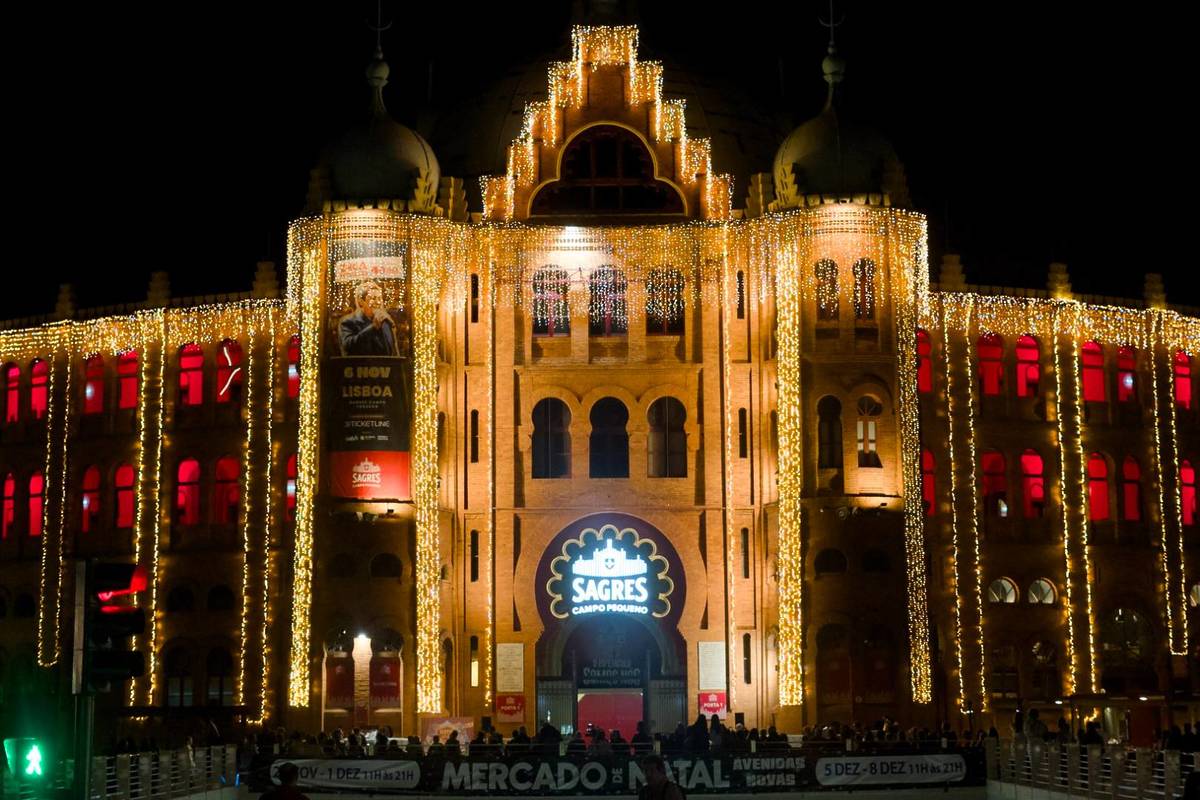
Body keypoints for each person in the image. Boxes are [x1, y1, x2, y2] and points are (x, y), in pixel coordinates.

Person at [339, 281, 400, 356]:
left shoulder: (385, 322)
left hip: (383, 366)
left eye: (379, 298)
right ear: (361, 301)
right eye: (373, 298)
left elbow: (392, 352)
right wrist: (373, 328)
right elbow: (348, 346)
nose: (378, 302)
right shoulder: (348, 321)